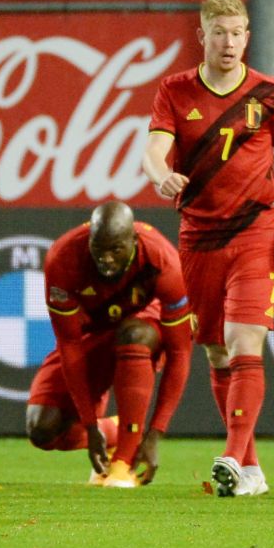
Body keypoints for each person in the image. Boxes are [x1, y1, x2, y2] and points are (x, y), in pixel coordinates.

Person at [142, 0, 274, 497]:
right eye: (220, 32)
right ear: (203, 36)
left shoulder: (270, 93)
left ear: (248, 36)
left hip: (257, 229)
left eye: (237, 33)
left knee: (244, 341)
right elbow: (152, 151)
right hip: (198, 236)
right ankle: (251, 469)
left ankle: (231, 455)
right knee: (215, 352)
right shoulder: (175, 90)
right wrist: (160, 175)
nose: (229, 42)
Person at [26, 201, 192, 488]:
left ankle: (123, 464)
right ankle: (116, 431)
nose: (107, 260)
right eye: (99, 249)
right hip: (94, 331)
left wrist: (156, 434)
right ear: (89, 238)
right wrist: (91, 426)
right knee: (42, 429)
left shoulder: (162, 261)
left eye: (116, 249)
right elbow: (70, 345)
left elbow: (179, 352)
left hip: (143, 323)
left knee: (134, 333)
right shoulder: (63, 258)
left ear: (134, 240)